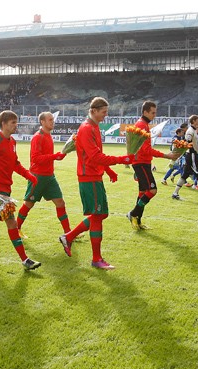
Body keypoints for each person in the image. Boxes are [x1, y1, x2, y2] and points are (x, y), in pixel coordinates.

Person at [57, 97, 134, 270]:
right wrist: (123, 159)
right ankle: (96, 258)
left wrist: (108, 170)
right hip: (89, 177)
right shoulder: (86, 128)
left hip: (93, 176)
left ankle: (68, 237)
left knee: (100, 214)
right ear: (93, 111)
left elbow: (97, 154)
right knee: (98, 215)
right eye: (103, 112)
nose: (106, 116)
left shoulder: (94, 127)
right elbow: (95, 157)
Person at [0, 110, 41, 270]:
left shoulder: (12, 142)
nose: (15, 126)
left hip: (5, 189)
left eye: (16, 122)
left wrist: (28, 175)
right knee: (12, 222)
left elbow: (15, 163)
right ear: (3, 124)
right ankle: (25, 260)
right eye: (13, 123)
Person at [16, 111, 71, 238]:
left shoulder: (48, 135)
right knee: (28, 204)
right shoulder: (38, 137)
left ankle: (68, 233)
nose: (53, 122)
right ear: (43, 122)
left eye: (53, 119)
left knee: (60, 203)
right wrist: (54, 156)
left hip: (49, 176)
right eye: (50, 120)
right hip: (38, 177)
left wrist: (56, 157)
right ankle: (16, 229)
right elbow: (35, 158)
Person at [126, 101, 179, 230]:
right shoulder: (141, 125)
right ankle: (132, 213)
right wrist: (167, 155)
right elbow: (145, 150)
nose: (155, 115)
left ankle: (137, 221)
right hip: (141, 163)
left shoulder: (143, 124)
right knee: (152, 190)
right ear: (145, 112)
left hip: (142, 162)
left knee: (143, 192)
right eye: (153, 113)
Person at [171, 115, 198, 200]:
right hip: (192, 155)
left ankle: (175, 193)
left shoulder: (193, 130)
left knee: (185, 175)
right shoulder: (190, 131)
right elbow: (188, 143)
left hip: (192, 155)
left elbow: (195, 143)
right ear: (194, 121)